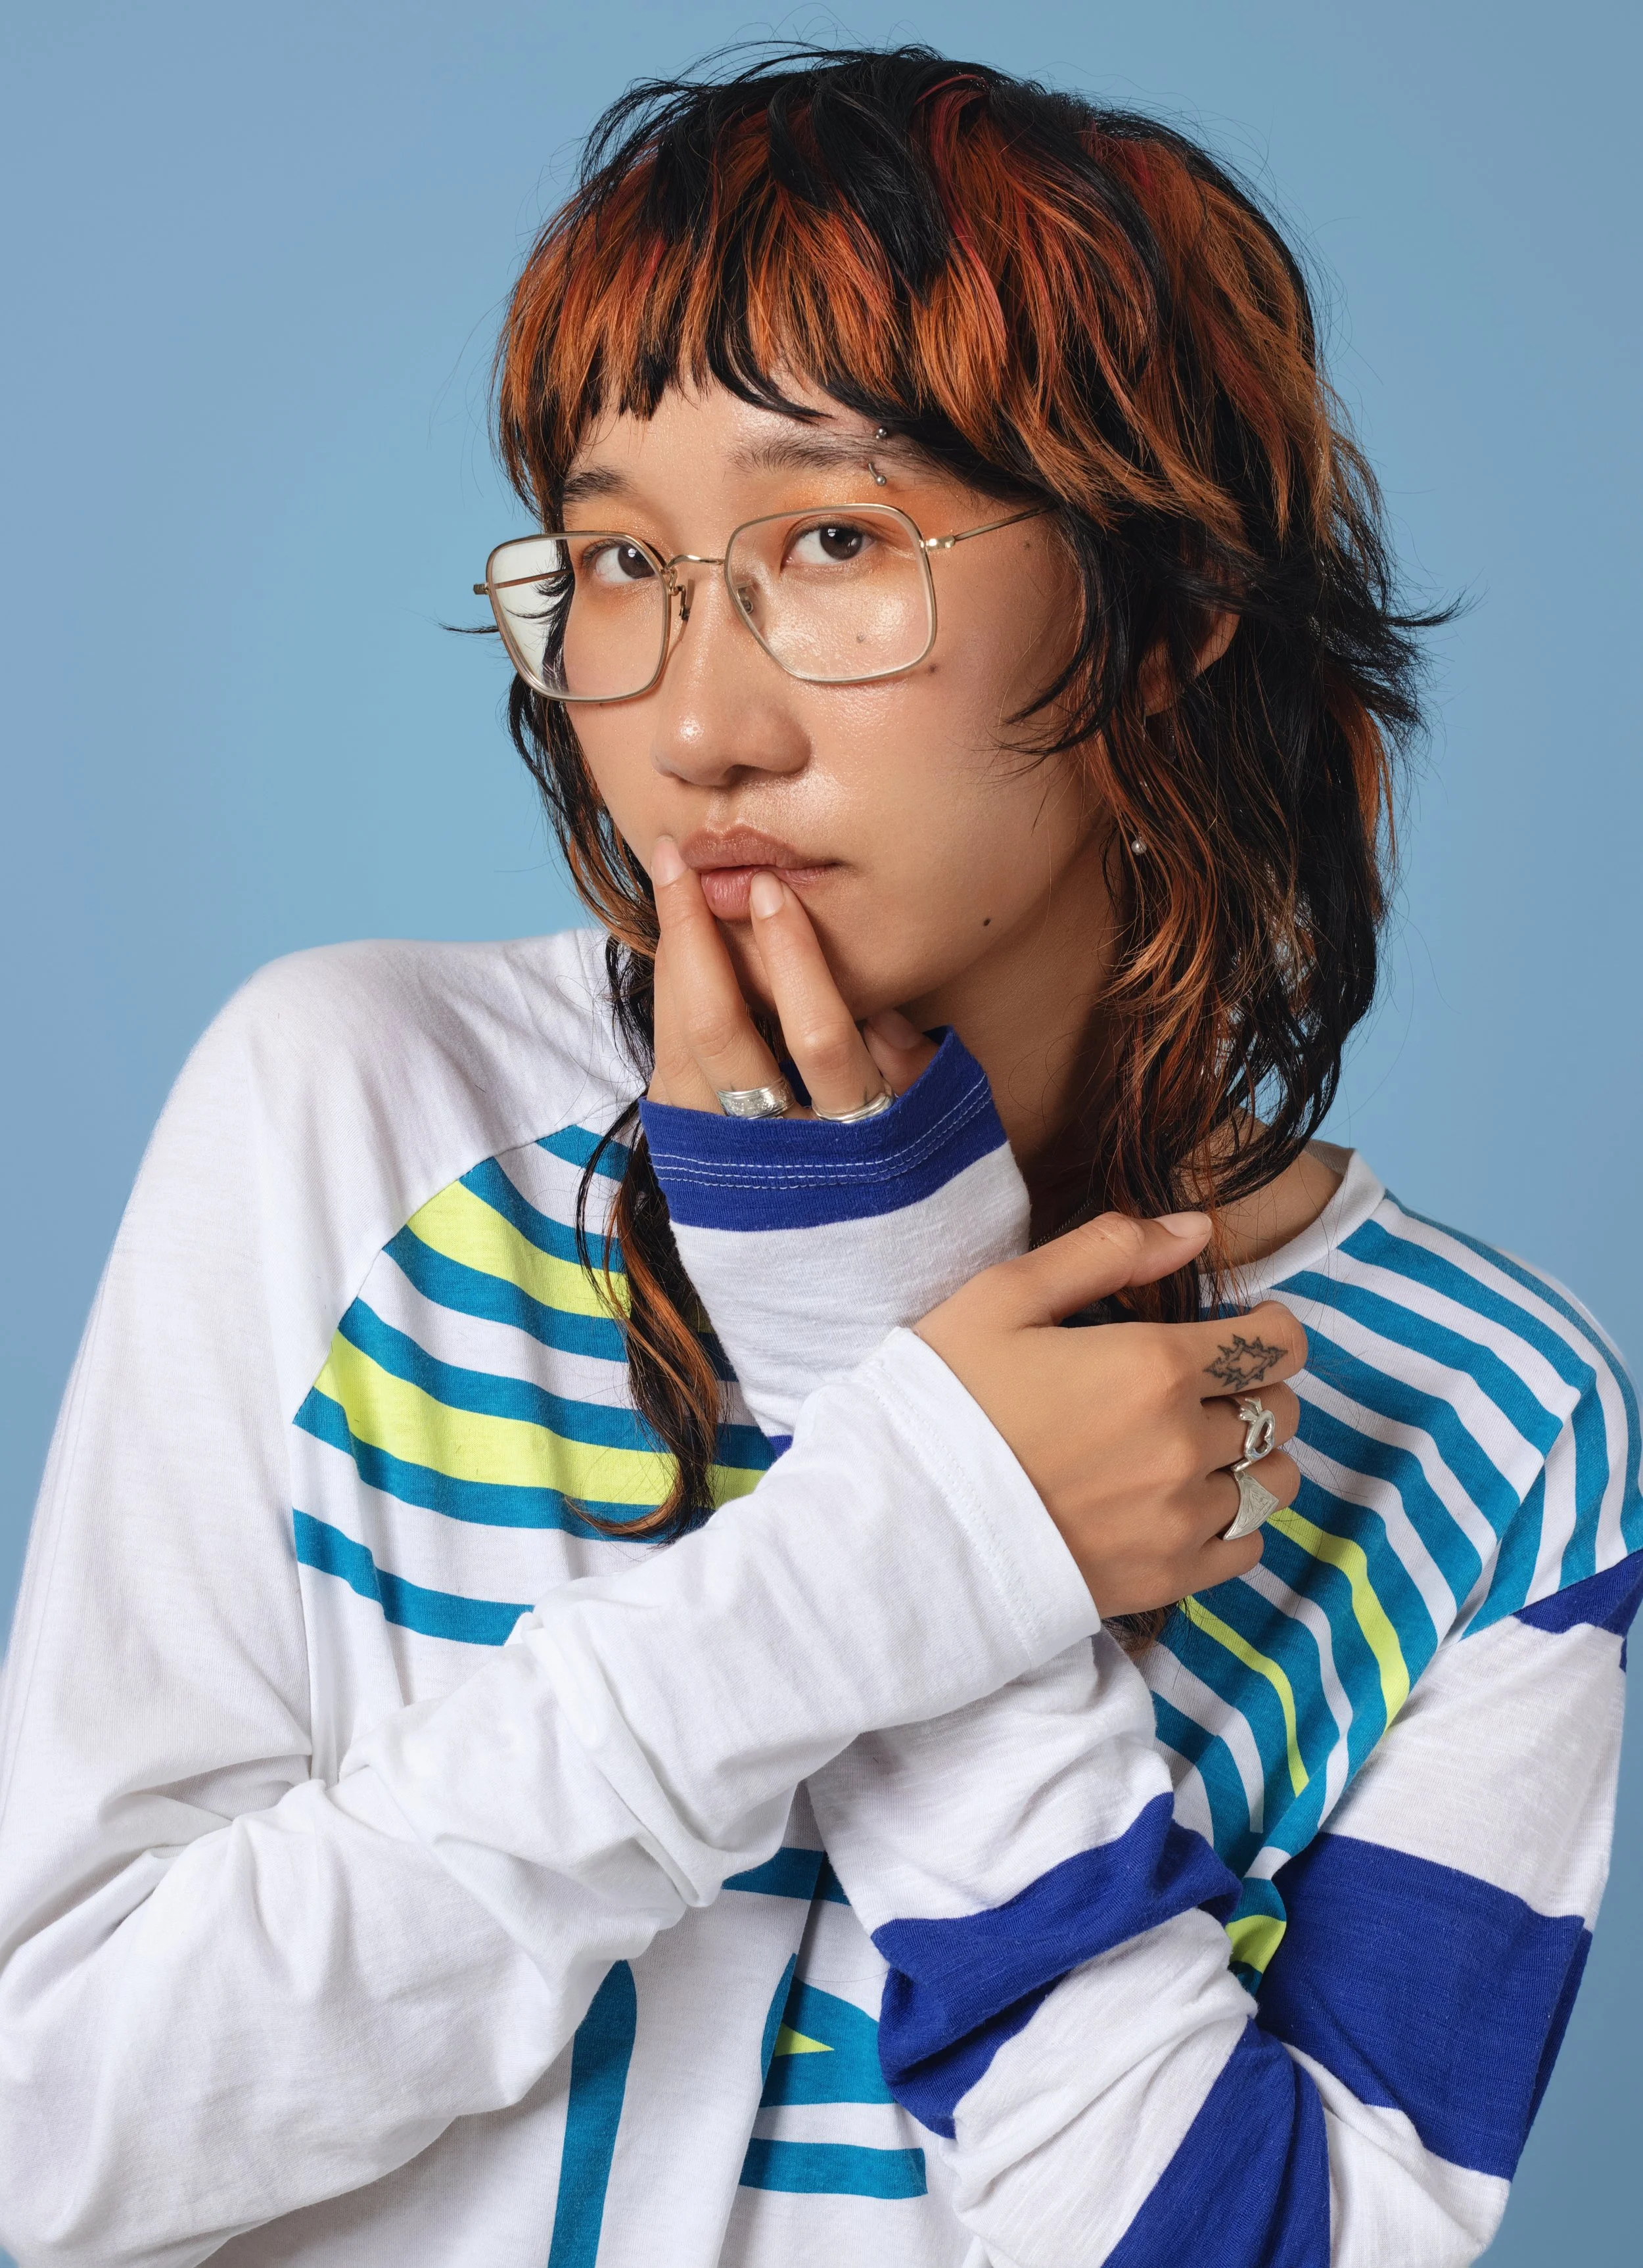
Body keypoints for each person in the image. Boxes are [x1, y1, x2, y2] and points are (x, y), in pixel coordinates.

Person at [0, 43, 1636, 2268]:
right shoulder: (360, 1110)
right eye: (612, 563)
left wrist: (867, 1326)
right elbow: (52, 2130)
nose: (693, 723)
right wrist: (907, 1541)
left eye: (834, 543)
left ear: (1172, 617)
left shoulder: (1486, 1423)